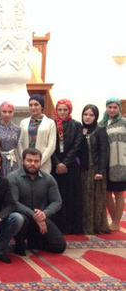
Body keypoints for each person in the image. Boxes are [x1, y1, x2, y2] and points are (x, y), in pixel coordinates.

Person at [8, 148, 66, 255]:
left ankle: (33, 242)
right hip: (19, 219)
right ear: (23, 161)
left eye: (36, 161)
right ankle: (19, 243)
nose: (33, 164)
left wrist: (44, 214)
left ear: (40, 162)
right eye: (29, 160)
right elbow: (13, 203)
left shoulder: (48, 178)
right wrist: (34, 215)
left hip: (39, 218)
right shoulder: (13, 178)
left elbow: (57, 201)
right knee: (21, 218)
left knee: (60, 246)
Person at [50, 99, 84, 234]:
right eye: (60, 110)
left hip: (70, 166)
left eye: (65, 110)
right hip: (55, 165)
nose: (62, 112)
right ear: (56, 110)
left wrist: (65, 163)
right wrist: (57, 163)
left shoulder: (76, 125)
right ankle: (56, 225)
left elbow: (77, 145)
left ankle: (70, 227)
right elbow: (50, 145)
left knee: (70, 195)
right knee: (56, 196)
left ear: (70, 110)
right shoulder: (51, 124)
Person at [80, 104, 110, 234]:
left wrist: (101, 171)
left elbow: (104, 152)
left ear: (96, 117)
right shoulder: (80, 129)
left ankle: (96, 226)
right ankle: (85, 226)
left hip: (96, 170)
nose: (87, 117)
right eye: (85, 114)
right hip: (83, 170)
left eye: (91, 115)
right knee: (84, 198)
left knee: (96, 199)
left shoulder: (100, 130)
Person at [100, 97, 126, 231]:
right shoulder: (102, 123)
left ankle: (116, 222)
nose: (112, 110)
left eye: (115, 107)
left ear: (119, 109)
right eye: (109, 107)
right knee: (106, 192)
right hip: (105, 164)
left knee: (119, 192)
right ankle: (114, 219)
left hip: (120, 162)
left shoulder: (124, 123)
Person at [18, 94, 56, 173]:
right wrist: (24, 159)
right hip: (26, 164)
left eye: (36, 105)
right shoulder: (23, 122)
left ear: (41, 106)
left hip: (43, 163)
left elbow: (51, 145)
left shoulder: (50, 123)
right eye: (30, 105)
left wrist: (39, 162)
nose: (33, 107)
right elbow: (20, 142)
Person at [0, 101, 21, 177]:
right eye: (4, 111)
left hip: (12, 159)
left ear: (13, 112)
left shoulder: (17, 129)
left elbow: (18, 145)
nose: (7, 114)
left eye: (10, 112)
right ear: (0, 112)